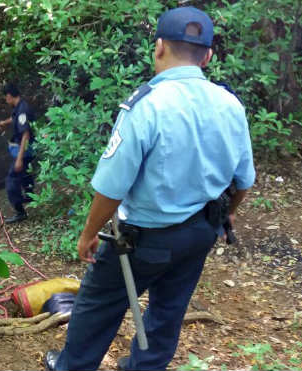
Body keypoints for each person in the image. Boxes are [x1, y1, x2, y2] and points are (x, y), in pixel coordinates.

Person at [44, 6, 255, 371]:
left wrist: (89, 233)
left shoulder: (146, 106)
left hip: (145, 240)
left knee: (97, 305)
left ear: (158, 47)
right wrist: (229, 213)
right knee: (168, 310)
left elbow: (112, 186)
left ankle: (72, 367)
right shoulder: (230, 105)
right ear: (207, 55)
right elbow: (244, 181)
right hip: (201, 232)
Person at [0, 83, 36, 224]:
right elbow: (14, 118)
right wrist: (3, 123)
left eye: (6, 97)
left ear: (10, 96)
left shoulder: (22, 110)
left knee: (11, 181)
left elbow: (25, 135)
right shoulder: (19, 107)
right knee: (25, 174)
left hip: (25, 150)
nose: (5, 100)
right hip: (26, 150)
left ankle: (20, 211)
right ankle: (30, 196)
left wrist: (19, 158)